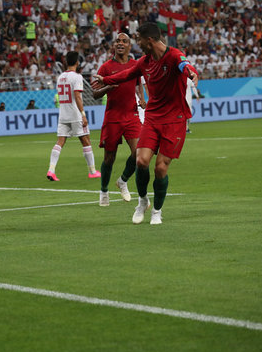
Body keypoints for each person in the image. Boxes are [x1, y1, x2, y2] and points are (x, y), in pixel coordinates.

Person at [92, 22, 198, 225]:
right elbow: (126, 75)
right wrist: (105, 79)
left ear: (149, 40)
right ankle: (142, 202)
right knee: (141, 161)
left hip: (174, 120)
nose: (137, 43)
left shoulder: (174, 55)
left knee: (160, 169)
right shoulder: (144, 62)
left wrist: (192, 74)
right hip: (152, 118)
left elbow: (186, 65)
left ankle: (157, 211)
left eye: (138, 39)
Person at [92, 33, 146, 207]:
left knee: (139, 153)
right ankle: (104, 191)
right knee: (109, 158)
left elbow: (138, 82)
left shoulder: (135, 65)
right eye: (117, 41)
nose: (120, 43)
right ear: (113, 45)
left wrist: (142, 98)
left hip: (131, 115)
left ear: (130, 46)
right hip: (113, 117)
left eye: (124, 41)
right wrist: (109, 86)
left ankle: (123, 180)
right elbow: (94, 94)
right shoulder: (106, 68)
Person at [47, 51, 101, 182]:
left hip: (63, 114)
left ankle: (51, 170)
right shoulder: (77, 77)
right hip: (75, 114)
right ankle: (92, 171)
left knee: (60, 142)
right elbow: (77, 96)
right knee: (86, 140)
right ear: (77, 62)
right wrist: (83, 114)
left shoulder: (60, 77)